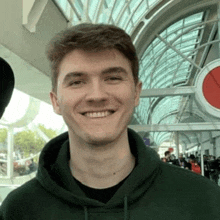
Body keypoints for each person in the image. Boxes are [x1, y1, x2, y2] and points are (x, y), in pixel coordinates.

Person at [1, 23, 220, 220]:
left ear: (136, 93)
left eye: (113, 78)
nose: (96, 95)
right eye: (77, 82)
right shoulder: (20, 210)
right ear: (56, 101)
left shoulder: (204, 202)